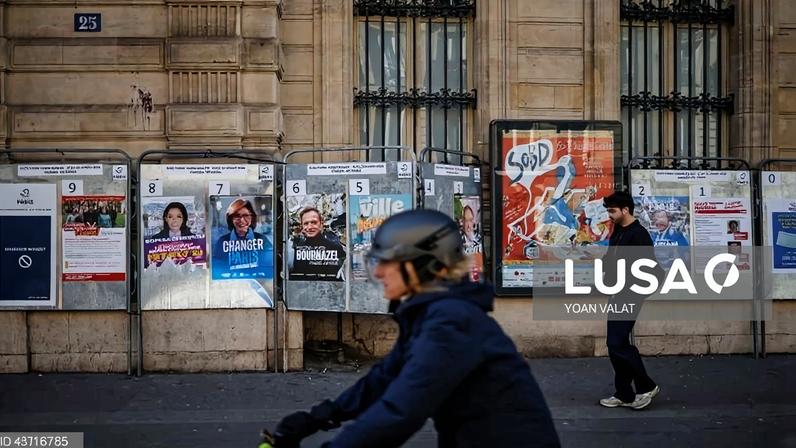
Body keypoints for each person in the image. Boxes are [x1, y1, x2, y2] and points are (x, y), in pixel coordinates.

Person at [270, 209, 560, 448]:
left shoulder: (452, 321)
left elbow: (401, 410)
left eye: (387, 262)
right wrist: (317, 418)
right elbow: (381, 381)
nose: (379, 272)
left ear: (421, 266)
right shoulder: (432, 315)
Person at [600, 191, 661, 410]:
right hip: (616, 293)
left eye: (613, 211)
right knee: (616, 344)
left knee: (616, 343)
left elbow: (648, 268)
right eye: (608, 210)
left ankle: (646, 386)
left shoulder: (639, 234)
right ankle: (624, 393)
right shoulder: (618, 230)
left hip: (630, 294)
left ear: (625, 210)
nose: (610, 215)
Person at [212, 198, 270, 277]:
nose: (242, 220)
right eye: (237, 216)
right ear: (231, 219)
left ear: (252, 217)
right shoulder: (222, 242)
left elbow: (269, 268)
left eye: (246, 215)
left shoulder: (262, 240)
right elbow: (217, 271)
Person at [288, 207, 346, 281]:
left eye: (314, 222)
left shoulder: (335, 247)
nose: (309, 227)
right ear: (302, 226)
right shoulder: (294, 250)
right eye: (306, 223)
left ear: (321, 224)